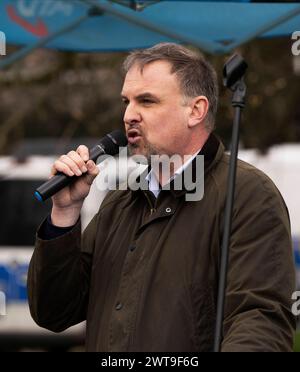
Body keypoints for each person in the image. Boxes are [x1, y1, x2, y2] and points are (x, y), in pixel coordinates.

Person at [27, 43, 296, 352]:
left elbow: (261, 321)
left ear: (196, 110)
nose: (129, 115)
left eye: (147, 101)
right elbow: (53, 312)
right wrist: (65, 214)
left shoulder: (246, 194)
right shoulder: (120, 202)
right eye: (126, 101)